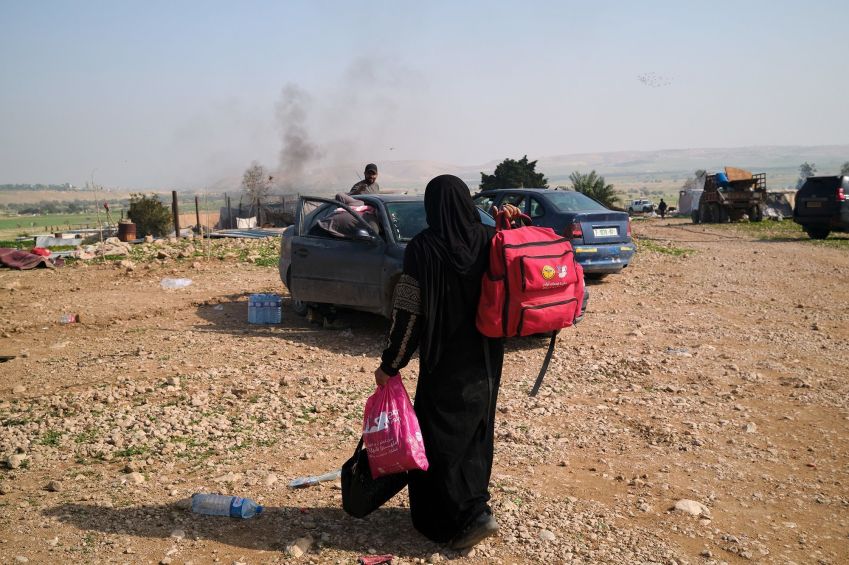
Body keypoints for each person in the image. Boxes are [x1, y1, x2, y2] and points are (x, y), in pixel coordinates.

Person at [374, 175, 513, 550]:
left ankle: (450, 521)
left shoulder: (423, 248)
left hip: (443, 362)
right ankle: (476, 509)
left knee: (438, 438)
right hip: (486, 361)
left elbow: (409, 314)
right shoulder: (490, 240)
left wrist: (391, 364)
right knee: (476, 434)